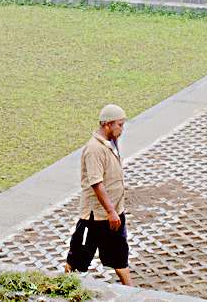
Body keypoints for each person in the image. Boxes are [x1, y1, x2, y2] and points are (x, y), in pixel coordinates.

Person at [64, 104, 133, 286]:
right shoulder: (94, 149)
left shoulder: (110, 144)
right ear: (107, 125)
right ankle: (64, 284)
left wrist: (115, 212)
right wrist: (110, 211)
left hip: (114, 214)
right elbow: (96, 183)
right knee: (78, 256)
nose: (122, 129)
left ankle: (132, 291)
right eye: (119, 125)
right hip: (95, 217)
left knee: (120, 256)